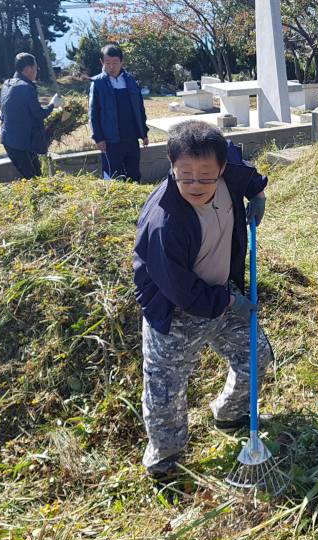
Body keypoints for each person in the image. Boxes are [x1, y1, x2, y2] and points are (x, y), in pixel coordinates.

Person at [132, 120, 271, 480]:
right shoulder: (164, 224)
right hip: (176, 311)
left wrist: (257, 193)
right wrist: (229, 302)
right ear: (171, 166)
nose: (195, 184)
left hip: (223, 292)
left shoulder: (228, 167)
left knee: (256, 358)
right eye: (185, 176)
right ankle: (165, 458)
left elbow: (245, 171)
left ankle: (229, 413)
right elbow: (183, 291)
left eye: (206, 176)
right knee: (165, 389)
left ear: (221, 169)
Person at [89, 44, 150, 182]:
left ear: (122, 61)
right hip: (110, 140)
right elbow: (93, 113)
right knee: (114, 177)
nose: (111, 66)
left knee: (134, 174)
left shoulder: (130, 81)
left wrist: (143, 132)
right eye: (107, 63)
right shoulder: (97, 83)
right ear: (101, 62)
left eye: (115, 62)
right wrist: (98, 138)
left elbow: (139, 108)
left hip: (131, 138)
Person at [0, 53, 62, 179]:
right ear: (28, 69)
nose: (37, 71)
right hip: (19, 144)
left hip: (12, 140)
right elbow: (39, 113)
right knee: (33, 179)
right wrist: (52, 104)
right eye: (35, 69)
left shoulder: (7, 84)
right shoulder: (26, 87)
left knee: (37, 175)